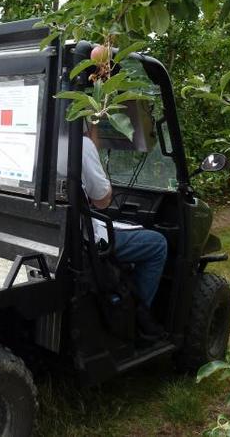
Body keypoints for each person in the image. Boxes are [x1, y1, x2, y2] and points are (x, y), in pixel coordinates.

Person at [82, 133, 167, 338]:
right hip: (82, 240)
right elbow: (102, 200)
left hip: (51, 233)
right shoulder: (80, 144)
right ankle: (138, 319)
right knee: (157, 244)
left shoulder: (33, 139)